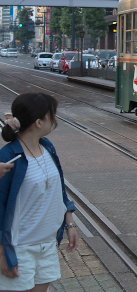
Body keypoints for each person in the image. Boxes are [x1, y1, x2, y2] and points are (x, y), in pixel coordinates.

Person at [0, 94, 79, 292]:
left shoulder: (48, 147)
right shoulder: (9, 157)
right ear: (38, 122)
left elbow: (58, 188)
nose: (55, 119)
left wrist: (70, 222)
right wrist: (2, 253)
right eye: (52, 115)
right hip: (19, 248)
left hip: (48, 243)